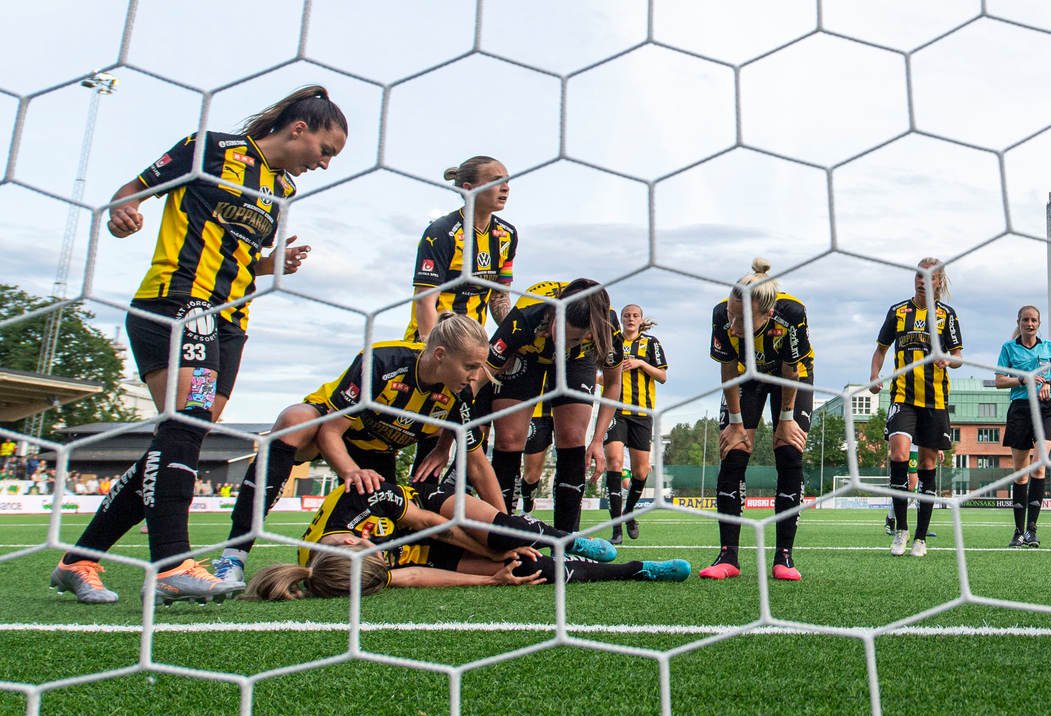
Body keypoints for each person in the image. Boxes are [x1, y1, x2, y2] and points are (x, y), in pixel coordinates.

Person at [51, 86, 348, 607]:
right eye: (326, 150)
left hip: (230, 321)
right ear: (300, 128)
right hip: (178, 303)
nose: (324, 164)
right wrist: (125, 213)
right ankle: (171, 565)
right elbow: (131, 191)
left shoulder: (280, 189)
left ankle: (80, 559)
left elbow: (240, 255)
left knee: (178, 439)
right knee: (184, 429)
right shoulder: (212, 150)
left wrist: (271, 265)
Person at [208, 314, 511, 583]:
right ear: (441, 355)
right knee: (293, 420)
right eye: (470, 366)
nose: (475, 375)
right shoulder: (383, 362)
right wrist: (351, 472)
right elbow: (331, 431)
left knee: (389, 530)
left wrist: (505, 530)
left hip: (378, 452)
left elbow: (478, 465)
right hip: (330, 435)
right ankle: (235, 555)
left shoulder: (460, 393)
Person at [246, 472, 689, 600]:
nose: (382, 562)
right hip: (426, 553)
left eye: (373, 555)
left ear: (348, 540)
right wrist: (494, 579)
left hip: (428, 509)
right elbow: (413, 576)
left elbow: (435, 526)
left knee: (502, 535)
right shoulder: (340, 578)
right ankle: (638, 571)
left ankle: (567, 539)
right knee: (531, 570)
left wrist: (497, 549)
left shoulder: (355, 505)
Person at [703, 259, 814, 582]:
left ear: (767, 314)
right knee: (733, 452)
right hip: (744, 377)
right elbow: (727, 369)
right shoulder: (721, 313)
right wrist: (736, 423)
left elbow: (791, 369)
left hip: (788, 378)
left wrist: (786, 419)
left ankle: (784, 557)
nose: (733, 324)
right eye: (731, 314)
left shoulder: (791, 314)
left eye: (743, 318)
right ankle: (728, 555)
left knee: (788, 451)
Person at [485, 279, 621, 539]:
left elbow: (613, 385)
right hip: (528, 354)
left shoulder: (606, 326)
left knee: (572, 436)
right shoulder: (524, 317)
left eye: (574, 338)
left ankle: (567, 537)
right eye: (561, 334)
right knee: (509, 439)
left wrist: (597, 440)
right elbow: (482, 374)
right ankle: (502, 530)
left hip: (576, 361)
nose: (563, 343)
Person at [871, 259, 963, 559]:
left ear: (938, 282)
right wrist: (874, 376)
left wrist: (948, 360)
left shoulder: (946, 315)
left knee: (926, 466)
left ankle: (921, 538)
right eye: (918, 275)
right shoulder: (898, 311)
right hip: (902, 396)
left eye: (929, 277)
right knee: (898, 454)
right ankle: (900, 530)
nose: (922, 281)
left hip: (934, 400)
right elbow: (881, 349)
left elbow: (959, 356)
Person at [406, 156, 517, 340]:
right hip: (433, 341)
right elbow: (425, 301)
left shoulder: (507, 234)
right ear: (468, 189)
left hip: (472, 344)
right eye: (497, 181)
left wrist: (514, 335)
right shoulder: (440, 232)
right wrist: (430, 350)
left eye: (507, 181)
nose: (506, 188)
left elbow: (499, 296)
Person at [996, 304, 1051, 548]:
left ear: (1039, 323)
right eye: (1026, 320)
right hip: (1020, 409)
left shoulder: (1049, 347)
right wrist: (1022, 379)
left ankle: (1033, 530)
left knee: (1040, 465)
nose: (1030, 324)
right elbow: (999, 381)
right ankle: (1018, 532)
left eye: (1034, 320)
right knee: (1021, 472)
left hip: (1045, 408)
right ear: (1019, 322)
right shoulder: (1008, 348)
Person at [605, 303, 669, 540]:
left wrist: (640, 363)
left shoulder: (651, 343)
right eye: (626, 315)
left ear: (641, 319)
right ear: (621, 319)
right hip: (615, 411)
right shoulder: (612, 342)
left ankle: (628, 512)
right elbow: (601, 376)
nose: (630, 319)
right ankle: (616, 528)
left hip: (642, 412)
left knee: (641, 472)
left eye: (634, 315)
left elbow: (662, 376)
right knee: (614, 461)